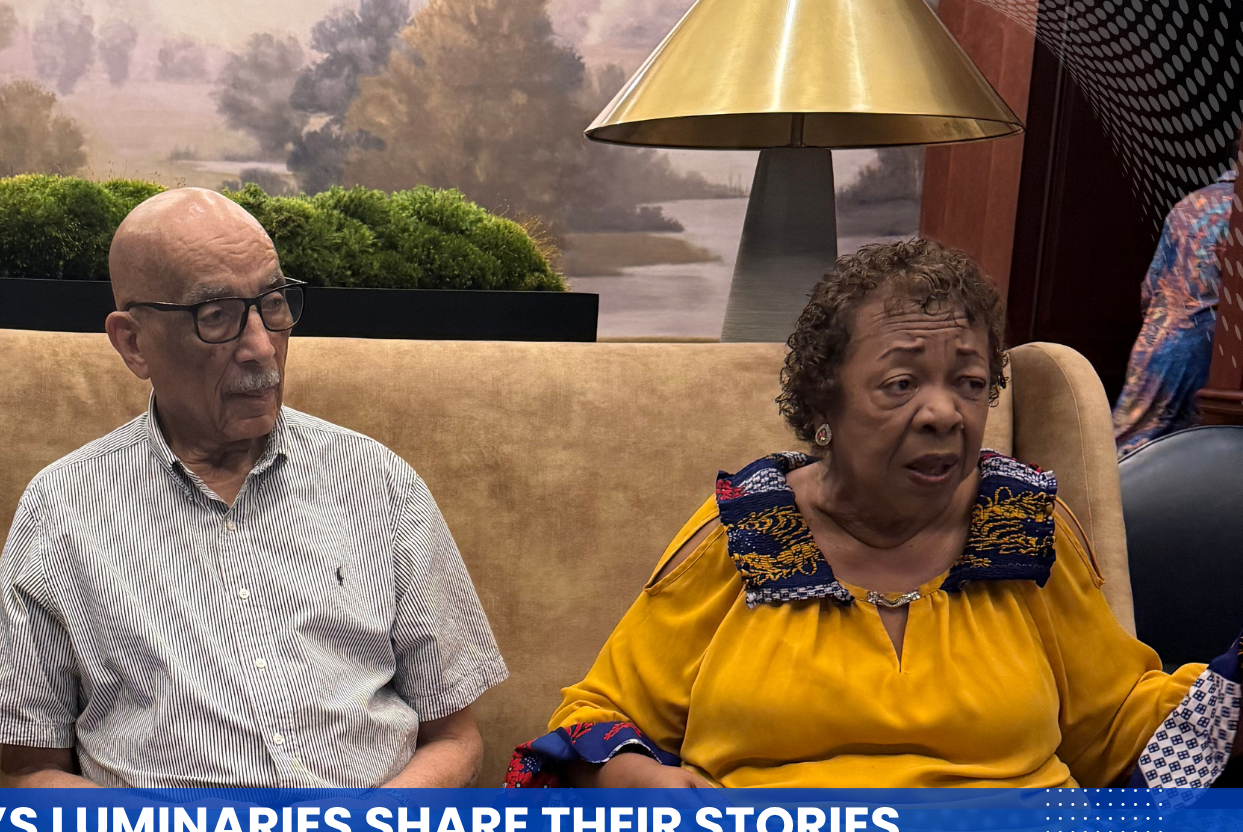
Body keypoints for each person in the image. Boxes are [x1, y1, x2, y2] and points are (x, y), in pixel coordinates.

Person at [0, 188, 511, 832]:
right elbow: (27, 777)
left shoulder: (378, 484)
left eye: (273, 304)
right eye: (215, 315)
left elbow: (457, 737)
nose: (260, 346)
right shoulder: (63, 509)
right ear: (132, 341)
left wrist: (374, 824)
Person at [508, 237, 1239, 791]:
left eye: (970, 382)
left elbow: (1117, 726)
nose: (944, 412)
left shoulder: (1020, 527)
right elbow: (597, 717)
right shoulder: (753, 532)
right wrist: (640, 780)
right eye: (900, 383)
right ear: (824, 401)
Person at [1112, 166, 1237, 455]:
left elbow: (1150, 287)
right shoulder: (1236, 212)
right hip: (1207, 349)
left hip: (1156, 342)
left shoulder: (1189, 204)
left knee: (1127, 445)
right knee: (1184, 453)